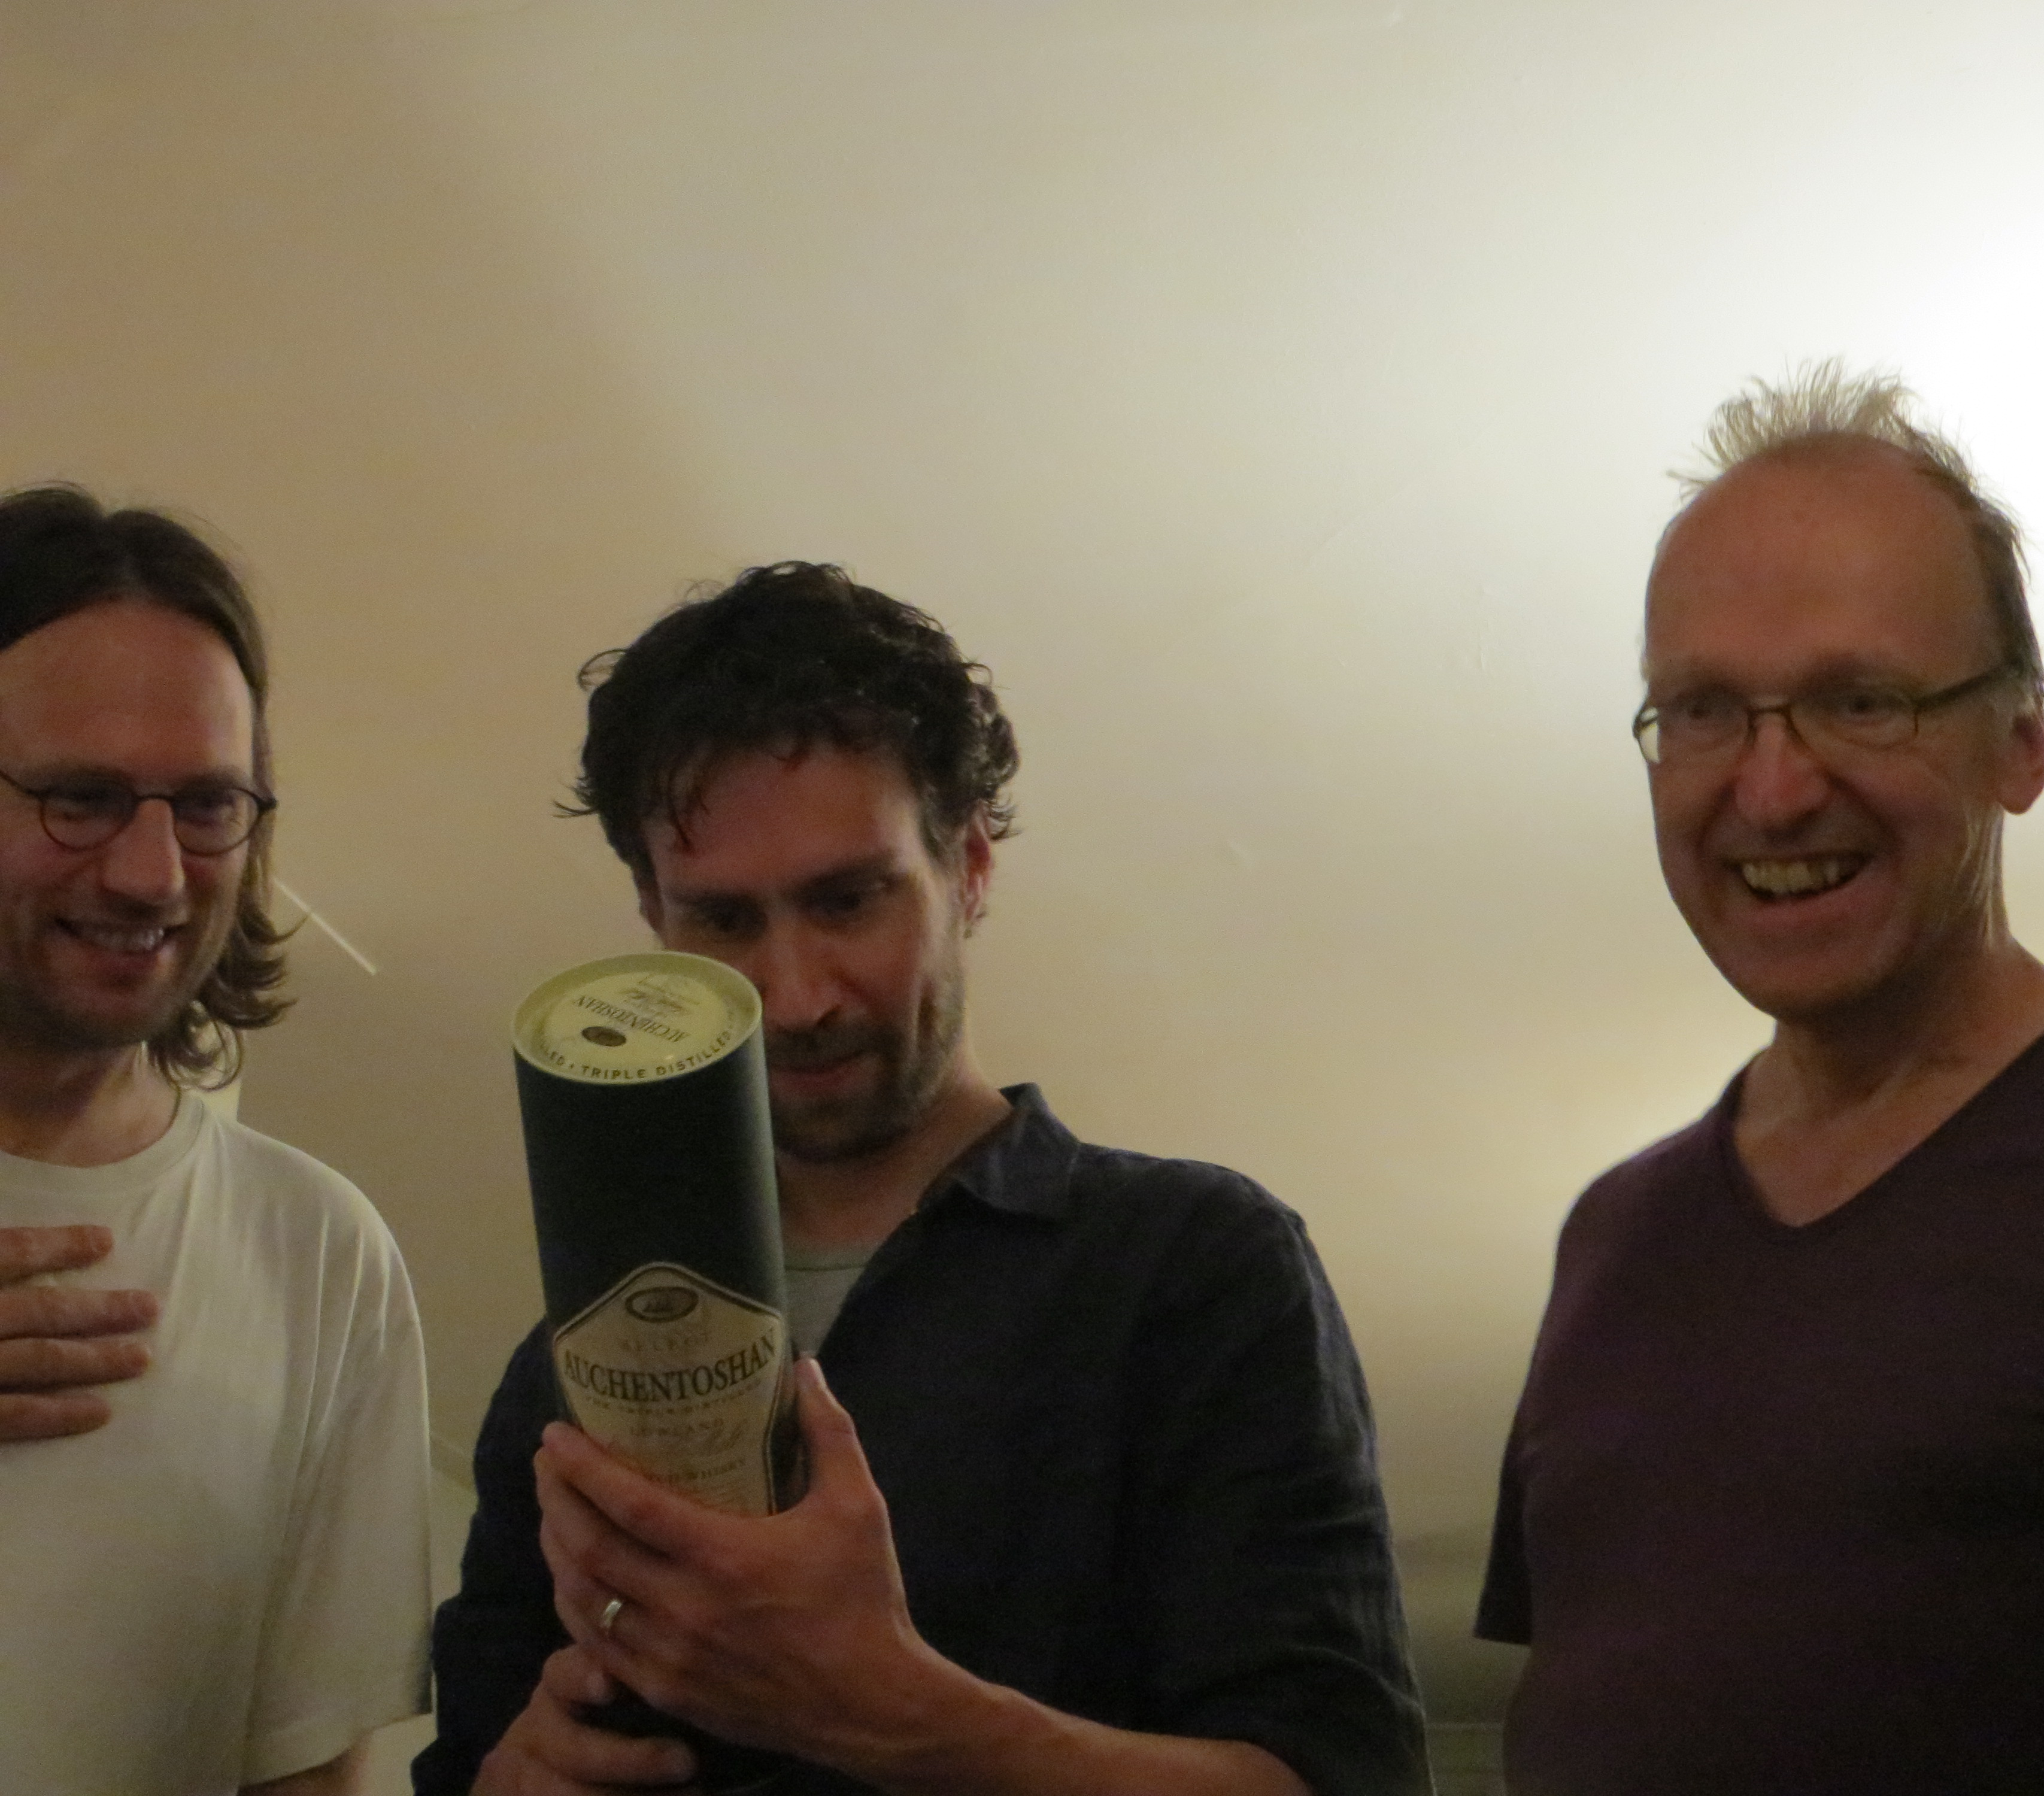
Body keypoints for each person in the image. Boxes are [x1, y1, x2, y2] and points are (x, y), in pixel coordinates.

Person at [1477, 366, 2044, 1795]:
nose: (1770, 789)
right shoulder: (1613, 1240)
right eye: (1702, 710)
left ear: (2020, 742)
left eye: (1859, 701)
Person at [417, 563, 1428, 1796]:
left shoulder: (1191, 1265)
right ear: (653, 918)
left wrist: (889, 1713)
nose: (795, 997)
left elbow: (1345, 1779)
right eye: (724, 923)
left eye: (849, 901)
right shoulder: (569, 1365)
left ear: (971, 868)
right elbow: (467, 1758)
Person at [0, 486, 431, 1792]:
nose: (151, 873)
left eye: (206, 804)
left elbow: (304, 1774)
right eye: (79, 798)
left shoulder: (321, 1258)